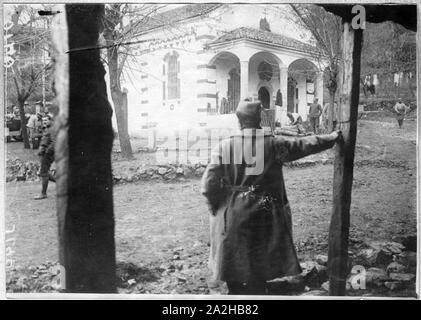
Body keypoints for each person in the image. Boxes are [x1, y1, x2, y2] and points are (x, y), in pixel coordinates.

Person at [201, 99, 341, 295]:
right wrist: (332, 138)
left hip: (232, 214)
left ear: (239, 120)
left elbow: (208, 185)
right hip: (264, 214)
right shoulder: (274, 144)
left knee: (233, 264)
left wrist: (216, 207)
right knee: (259, 267)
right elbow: (304, 144)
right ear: (260, 119)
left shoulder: (223, 147)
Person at [35, 115, 55, 200]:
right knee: (44, 172)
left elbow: (54, 142)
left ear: (51, 120)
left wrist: (47, 152)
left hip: (48, 154)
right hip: (44, 153)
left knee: (43, 173)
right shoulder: (47, 129)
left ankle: (43, 194)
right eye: (43, 120)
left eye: (46, 120)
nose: (44, 121)